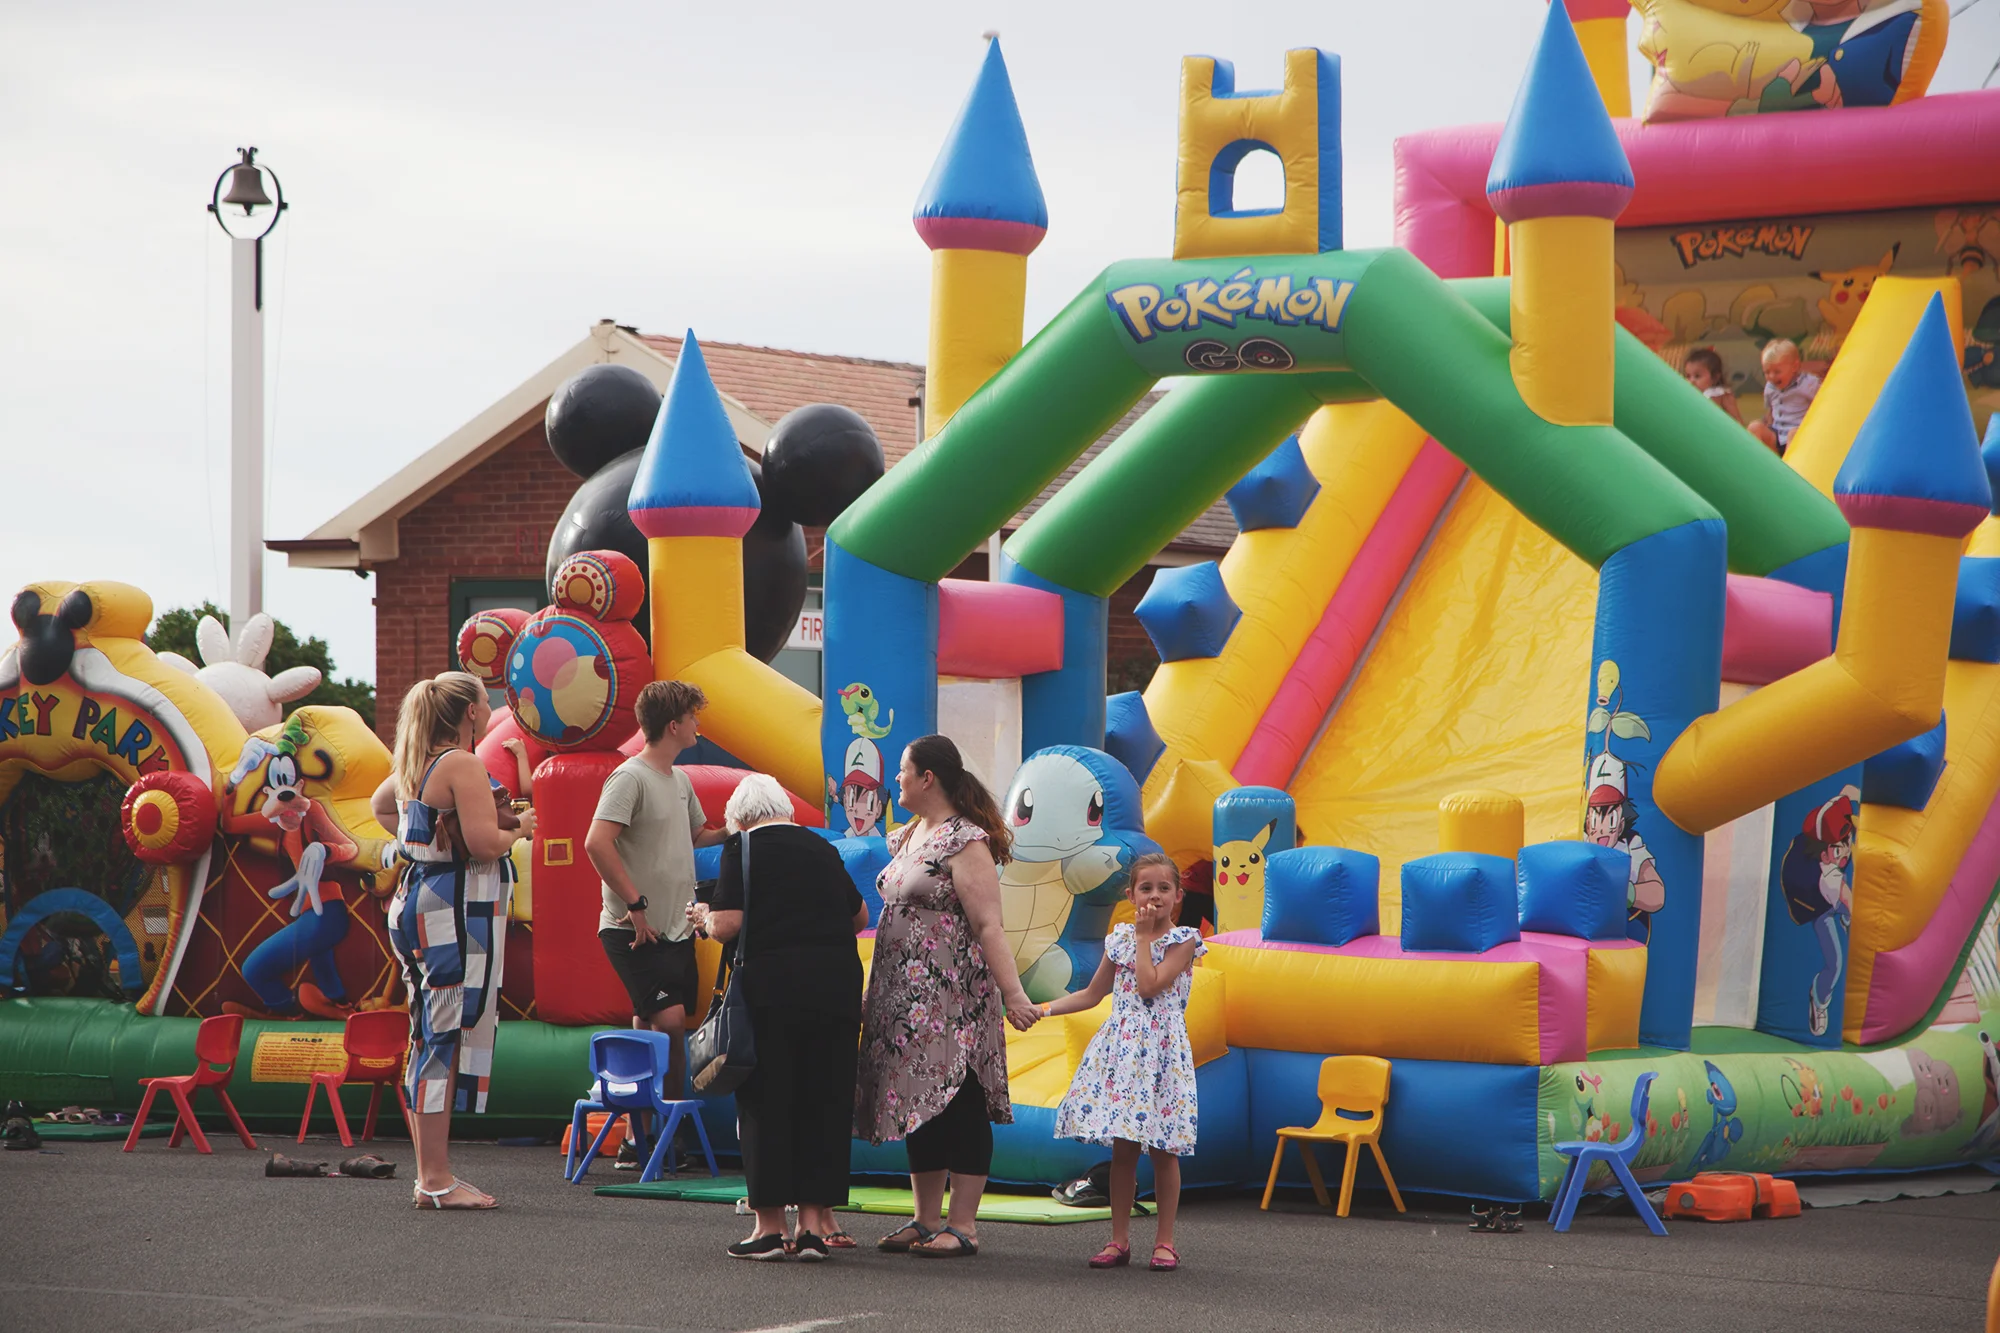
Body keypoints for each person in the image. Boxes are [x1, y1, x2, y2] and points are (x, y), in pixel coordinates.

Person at [854, 734, 1040, 1259]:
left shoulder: (965, 841)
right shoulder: (911, 834)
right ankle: (924, 1218)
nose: (896, 780)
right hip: (903, 997)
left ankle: (963, 1225)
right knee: (916, 1100)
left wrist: (1014, 995)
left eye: (904, 771)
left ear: (927, 778)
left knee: (958, 1100)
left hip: (951, 998)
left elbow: (988, 925)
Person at [369, 671, 534, 1210]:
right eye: (486, 702)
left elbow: (382, 807)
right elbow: (487, 844)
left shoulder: (416, 763)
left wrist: (437, 834)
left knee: (427, 1036)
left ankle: (430, 1174)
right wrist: (520, 831)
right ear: (468, 714)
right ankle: (435, 1180)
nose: (490, 709)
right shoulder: (460, 762)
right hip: (450, 914)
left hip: (419, 902)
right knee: (440, 1039)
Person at [688, 774, 869, 1261]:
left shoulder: (740, 849)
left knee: (767, 1101)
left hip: (772, 991)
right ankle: (812, 1228)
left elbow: (728, 925)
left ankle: (769, 1229)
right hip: (835, 988)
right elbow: (858, 916)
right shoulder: (823, 849)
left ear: (740, 817)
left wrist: (703, 917)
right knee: (824, 1101)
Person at [1043, 853, 1203, 1273]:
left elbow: (1150, 986)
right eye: (1145, 888)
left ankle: (1165, 1241)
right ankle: (1118, 1239)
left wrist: (1146, 937)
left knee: (1165, 1150)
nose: (1154, 895)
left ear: (1178, 896)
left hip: (1162, 1051)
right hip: (1124, 1050)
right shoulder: (1118, 939)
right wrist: (1041, 1009)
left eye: (1163, 888)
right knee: (1124, 1150)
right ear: (1130, 895)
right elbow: (1092, 995)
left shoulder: (1183, 940)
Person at [584, 680, 725, 1145]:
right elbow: (596, 843)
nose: (698, 725)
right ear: (674, 725)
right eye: (693, 717)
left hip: (675, 928)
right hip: (633, 928)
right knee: (667, 1022)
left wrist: (743, 828)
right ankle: (667, 1130)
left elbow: (700, 835)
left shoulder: (680, 780)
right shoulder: (630, 777)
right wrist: (635, 905)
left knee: (653, 1021)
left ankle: (638, 1137)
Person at [1778, 787, 1858, 1038]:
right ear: (1824, 853)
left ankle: (1844, 917)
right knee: (1835, 964)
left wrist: (1853, 796)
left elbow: (1846, 793)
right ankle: (1819, 999)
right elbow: (1846, 895)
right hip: (1814, 903)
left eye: (1846, 844)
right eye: (1838, 849)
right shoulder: (1827, 878)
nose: (1844, 851)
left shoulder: (1831, 827)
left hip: (1821, 885)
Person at [1749, 339, 1822, 456]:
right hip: (1777, 434)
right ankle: (1765, 463)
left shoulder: (1809, 384)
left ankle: (1787, 469)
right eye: (1767, 372)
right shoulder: (1770, 387)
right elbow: (1771, 411)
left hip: (1800, 436)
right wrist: (1766, 423)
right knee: (1755, 427)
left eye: (1777, 372)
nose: (1771, 377)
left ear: (1795, 367)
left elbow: (1824, 405)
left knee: (1793, 433)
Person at [1682, 347, 1747, 428]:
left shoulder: (1719, 394)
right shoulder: (1691, 395)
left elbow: (1737, 419)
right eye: (1688, 376)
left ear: (1715, 378)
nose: (1691, 381)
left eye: (1697, 376)